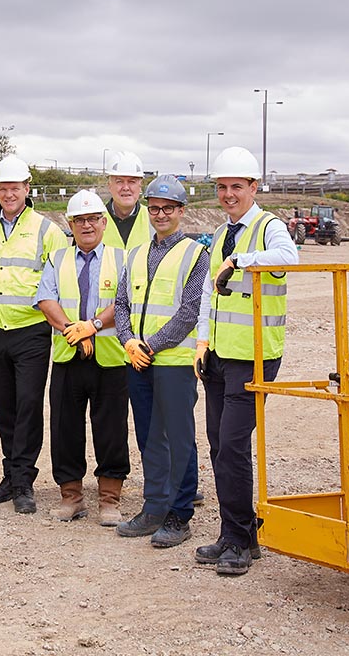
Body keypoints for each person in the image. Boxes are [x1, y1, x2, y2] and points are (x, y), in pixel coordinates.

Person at [195, 147, 298, 576]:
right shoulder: (222, 234)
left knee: (234, 447)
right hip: (219, 355)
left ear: (254, 187)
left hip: (253, 357)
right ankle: (236, 535)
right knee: (220, 446)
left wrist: (244, 260)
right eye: (222, 187)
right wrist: (202, 342)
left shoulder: (268, 227)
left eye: (237, 186)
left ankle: (239, 539)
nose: (228, 194)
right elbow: (208, 292)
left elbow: (289, 257)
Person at [0, 155, 67, 514]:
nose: (9, 194)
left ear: (27, 188)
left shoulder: (46, 230)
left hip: (31, 330)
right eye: (3, 188)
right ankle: (11, 472)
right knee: (4, 407)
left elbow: (58, 278)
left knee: (27, 405)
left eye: (15, 187)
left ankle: (23, 480)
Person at [114, 175, 208, 548]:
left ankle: (179, 514)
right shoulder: (136, 254)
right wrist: (126, 340)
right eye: (154, 209)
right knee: (149, 438)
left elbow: (189, 312)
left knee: (178, 438)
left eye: (168, 208)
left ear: (181, 212)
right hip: (138, 362)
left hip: (173, 363)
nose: (161, 214)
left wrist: (148, 345)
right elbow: (121, 304)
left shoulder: (195, 255)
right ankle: (153, 507)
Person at [35, 190, 129, 526]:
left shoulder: (122, 259)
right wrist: (69, 330)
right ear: (70, 224)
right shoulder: (57, 259)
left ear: (104, 223)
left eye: (92, 219)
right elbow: (46, 299)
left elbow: (124, 303)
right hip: (67, 357)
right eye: (79, 220)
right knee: (65, 428)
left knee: (111, 430)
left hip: (111, 359)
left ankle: (109, 499)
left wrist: (92, 327)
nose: (86, 225)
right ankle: (71, 496)